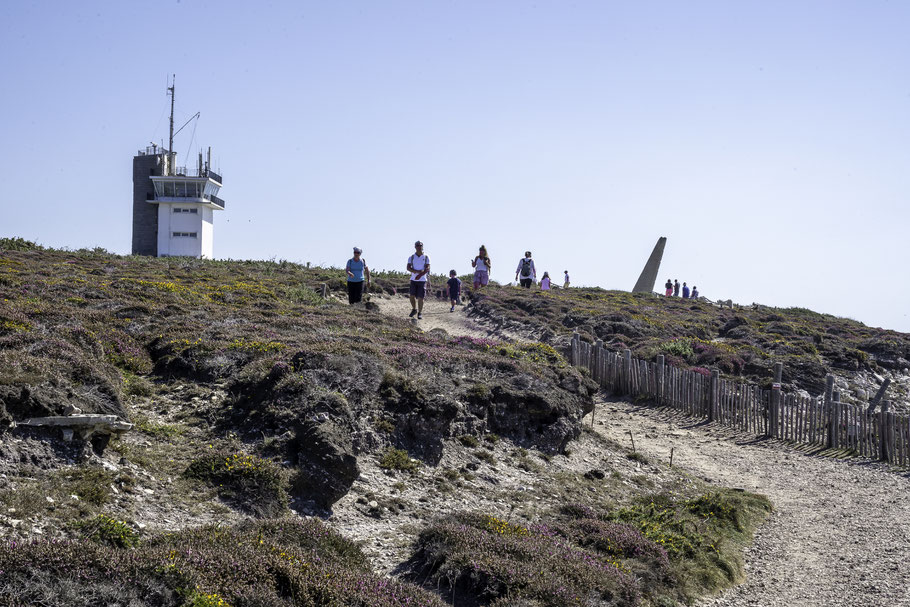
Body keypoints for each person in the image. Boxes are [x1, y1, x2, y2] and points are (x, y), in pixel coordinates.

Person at [406, 240, 430, 319]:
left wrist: (420, 275)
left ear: (422, 247)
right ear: (415, 247)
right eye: (417, 246)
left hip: (422, 280)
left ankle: (420, 312)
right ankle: (414, 309)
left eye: (420, 246)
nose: (419, 247)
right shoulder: (411, 257)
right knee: (411, 296)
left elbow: (427, 268)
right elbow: (408, 268)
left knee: (421, 297)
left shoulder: (426, 257)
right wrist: (416, 272)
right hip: (413, 279)